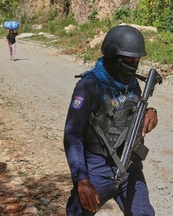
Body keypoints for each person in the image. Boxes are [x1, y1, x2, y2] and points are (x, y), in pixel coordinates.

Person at [64, 25, 158, 215]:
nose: (134, 66)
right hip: (97, 166)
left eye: (137, 60)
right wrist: (81, 179)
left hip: (129, 165)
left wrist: (151, 112)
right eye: (129, 60)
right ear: (113, 57)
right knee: (77, 212)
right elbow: (72, 134)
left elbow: (133, 113)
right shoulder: (89, 86)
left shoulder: (132, 84)